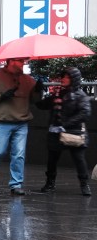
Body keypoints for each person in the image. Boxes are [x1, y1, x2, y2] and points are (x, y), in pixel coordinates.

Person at [0, 57, 39, 196]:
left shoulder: (28, 80)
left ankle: (16, 184)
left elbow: (35, 100)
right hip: (1, 122)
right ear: (10, 61)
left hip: (21, 122)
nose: (23, 63)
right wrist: (1, 96)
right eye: (20, 61)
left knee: (19, 154)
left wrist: (38, 91)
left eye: (23, 61)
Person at [37, 66, 92, 196]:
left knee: (79, 159)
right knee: (52, 159)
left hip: (74, 132)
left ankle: (84, 185)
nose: (64, 79)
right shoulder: (57, 93)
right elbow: (41, 105)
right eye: (63, 76)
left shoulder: (80, 95)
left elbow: (85, 113)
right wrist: (37, 91)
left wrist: (66, 124)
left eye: (67, 77)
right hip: (55, 132)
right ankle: (50, 183)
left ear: (74, 79)